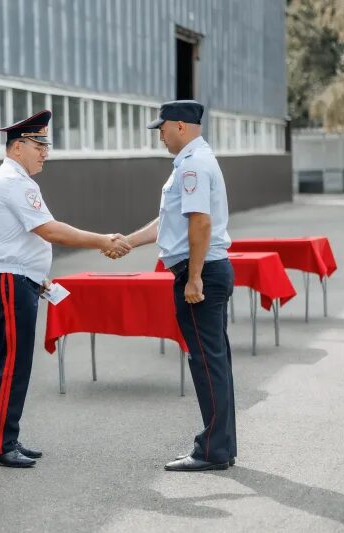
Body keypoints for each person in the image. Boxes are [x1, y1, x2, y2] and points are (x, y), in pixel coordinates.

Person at [0, 110, 131, 468]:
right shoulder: (14, 181)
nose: (45, 152)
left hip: (17, 280)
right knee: (11, 365)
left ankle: (5, 437)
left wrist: (36, 273)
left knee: (11, 363)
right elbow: (51, 230)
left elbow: (23, 238)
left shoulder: (16, 179)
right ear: (18, 147)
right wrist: (102, 240)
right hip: (8, 282)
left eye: (47, 144)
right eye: (39, 144)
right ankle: (0, 445)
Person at [111, 100, 236, 472]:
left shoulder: (194, 164)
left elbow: (199, 223)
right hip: (206, 270)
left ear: (180, 126)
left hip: (202, 274)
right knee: (215, 361)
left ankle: (213, 450)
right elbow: (171, 221)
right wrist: (128, 242)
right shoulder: (191, 162)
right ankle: (221, 446)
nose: (160, 135)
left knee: (207, 363)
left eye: (162, 128)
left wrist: (194, 276)